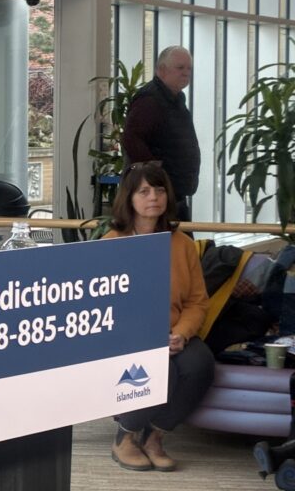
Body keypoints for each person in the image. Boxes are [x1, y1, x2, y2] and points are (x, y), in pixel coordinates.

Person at [102, 161, 215, 472]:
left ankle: (155, 436)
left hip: (173, 331)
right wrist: (144, 337)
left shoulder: (183, 245)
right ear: (130, 198)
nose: (154, 196)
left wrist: (181, 332)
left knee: (200, 364)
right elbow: (104, 305)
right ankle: (125, 436)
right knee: (160, 368)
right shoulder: (111, 244)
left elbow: (197, 302)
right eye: (144, 191)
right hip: (128, 336)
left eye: (160, 189)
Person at [122, 46, 200, 222]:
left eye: (189, 68)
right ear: (162, 70)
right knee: (171, 245)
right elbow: (131, 138)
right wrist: (156, 177)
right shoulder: (150, 100)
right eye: (180, 68)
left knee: (182, 246)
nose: (186, 73)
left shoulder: (174, 99)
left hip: (172, 193)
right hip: (157, 197)